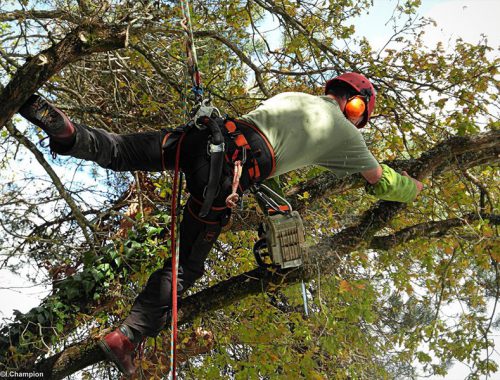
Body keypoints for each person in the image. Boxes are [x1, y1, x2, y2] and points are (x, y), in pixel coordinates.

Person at [18, 72, 423, 375]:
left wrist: (273, 201)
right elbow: (381, 181)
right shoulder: (346, 135)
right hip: (224, 173)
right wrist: (414, 188)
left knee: (121, 150)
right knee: (186, 267)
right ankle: (125, 336)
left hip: (209, 137)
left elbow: (267, 145)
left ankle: (69, 132)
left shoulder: (295, 97)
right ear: (356, 107)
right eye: (359, 115)